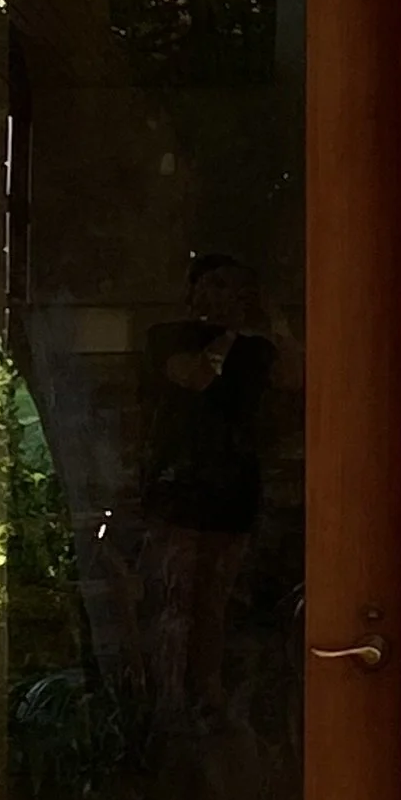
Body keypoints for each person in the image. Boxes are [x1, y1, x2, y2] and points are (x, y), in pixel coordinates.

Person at [140, 254, 287, 719]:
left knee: (215, 597)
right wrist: (228, 333)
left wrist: (271, 322)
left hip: (234, 480)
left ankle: (209, 691)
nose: (221, 296)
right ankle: (167, 697)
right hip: (179, 481)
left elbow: (297, 379)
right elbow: (196, 376)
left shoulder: (259, 349)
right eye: (213, 285)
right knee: (176, 593)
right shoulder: (166, 336)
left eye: (233, 288)